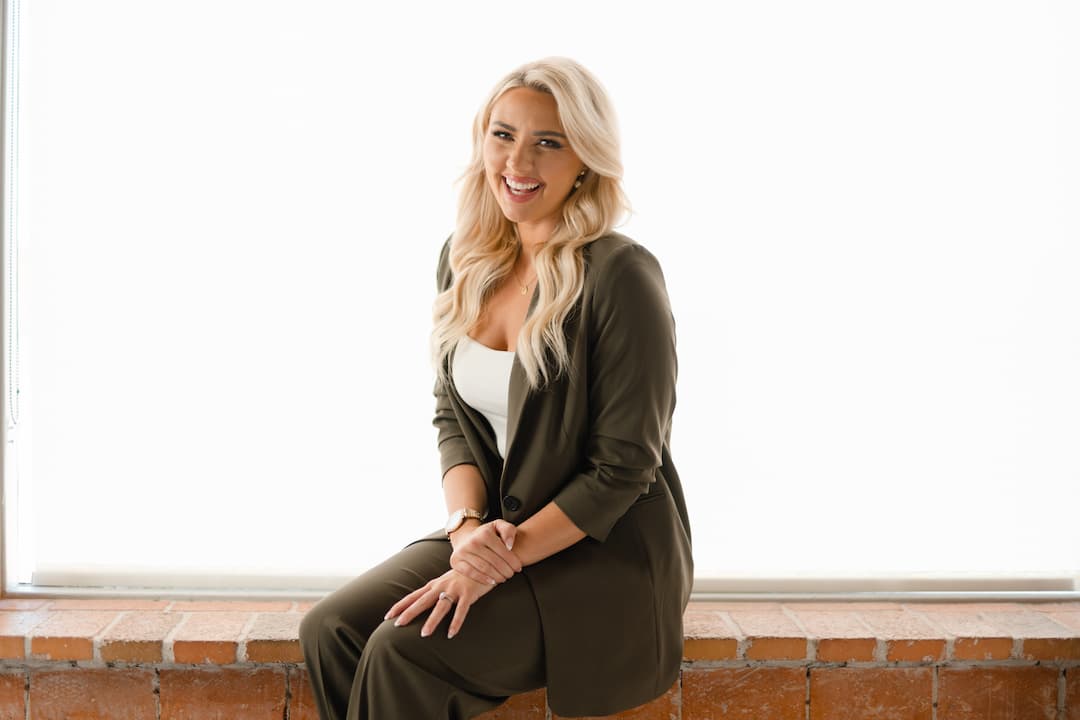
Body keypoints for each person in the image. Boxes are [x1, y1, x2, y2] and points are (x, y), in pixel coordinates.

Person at [299, 56, 693, 720]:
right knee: (331, 629)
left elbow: (623, 468)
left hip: (601, 553)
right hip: (499, 532)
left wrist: (490, 564)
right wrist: (465, 531)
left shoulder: (620, 275)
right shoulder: (466, 258)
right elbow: (451, 415)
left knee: (401, 651)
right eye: (503, 135)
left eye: (549, 142)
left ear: (585, 160)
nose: (518, 161)